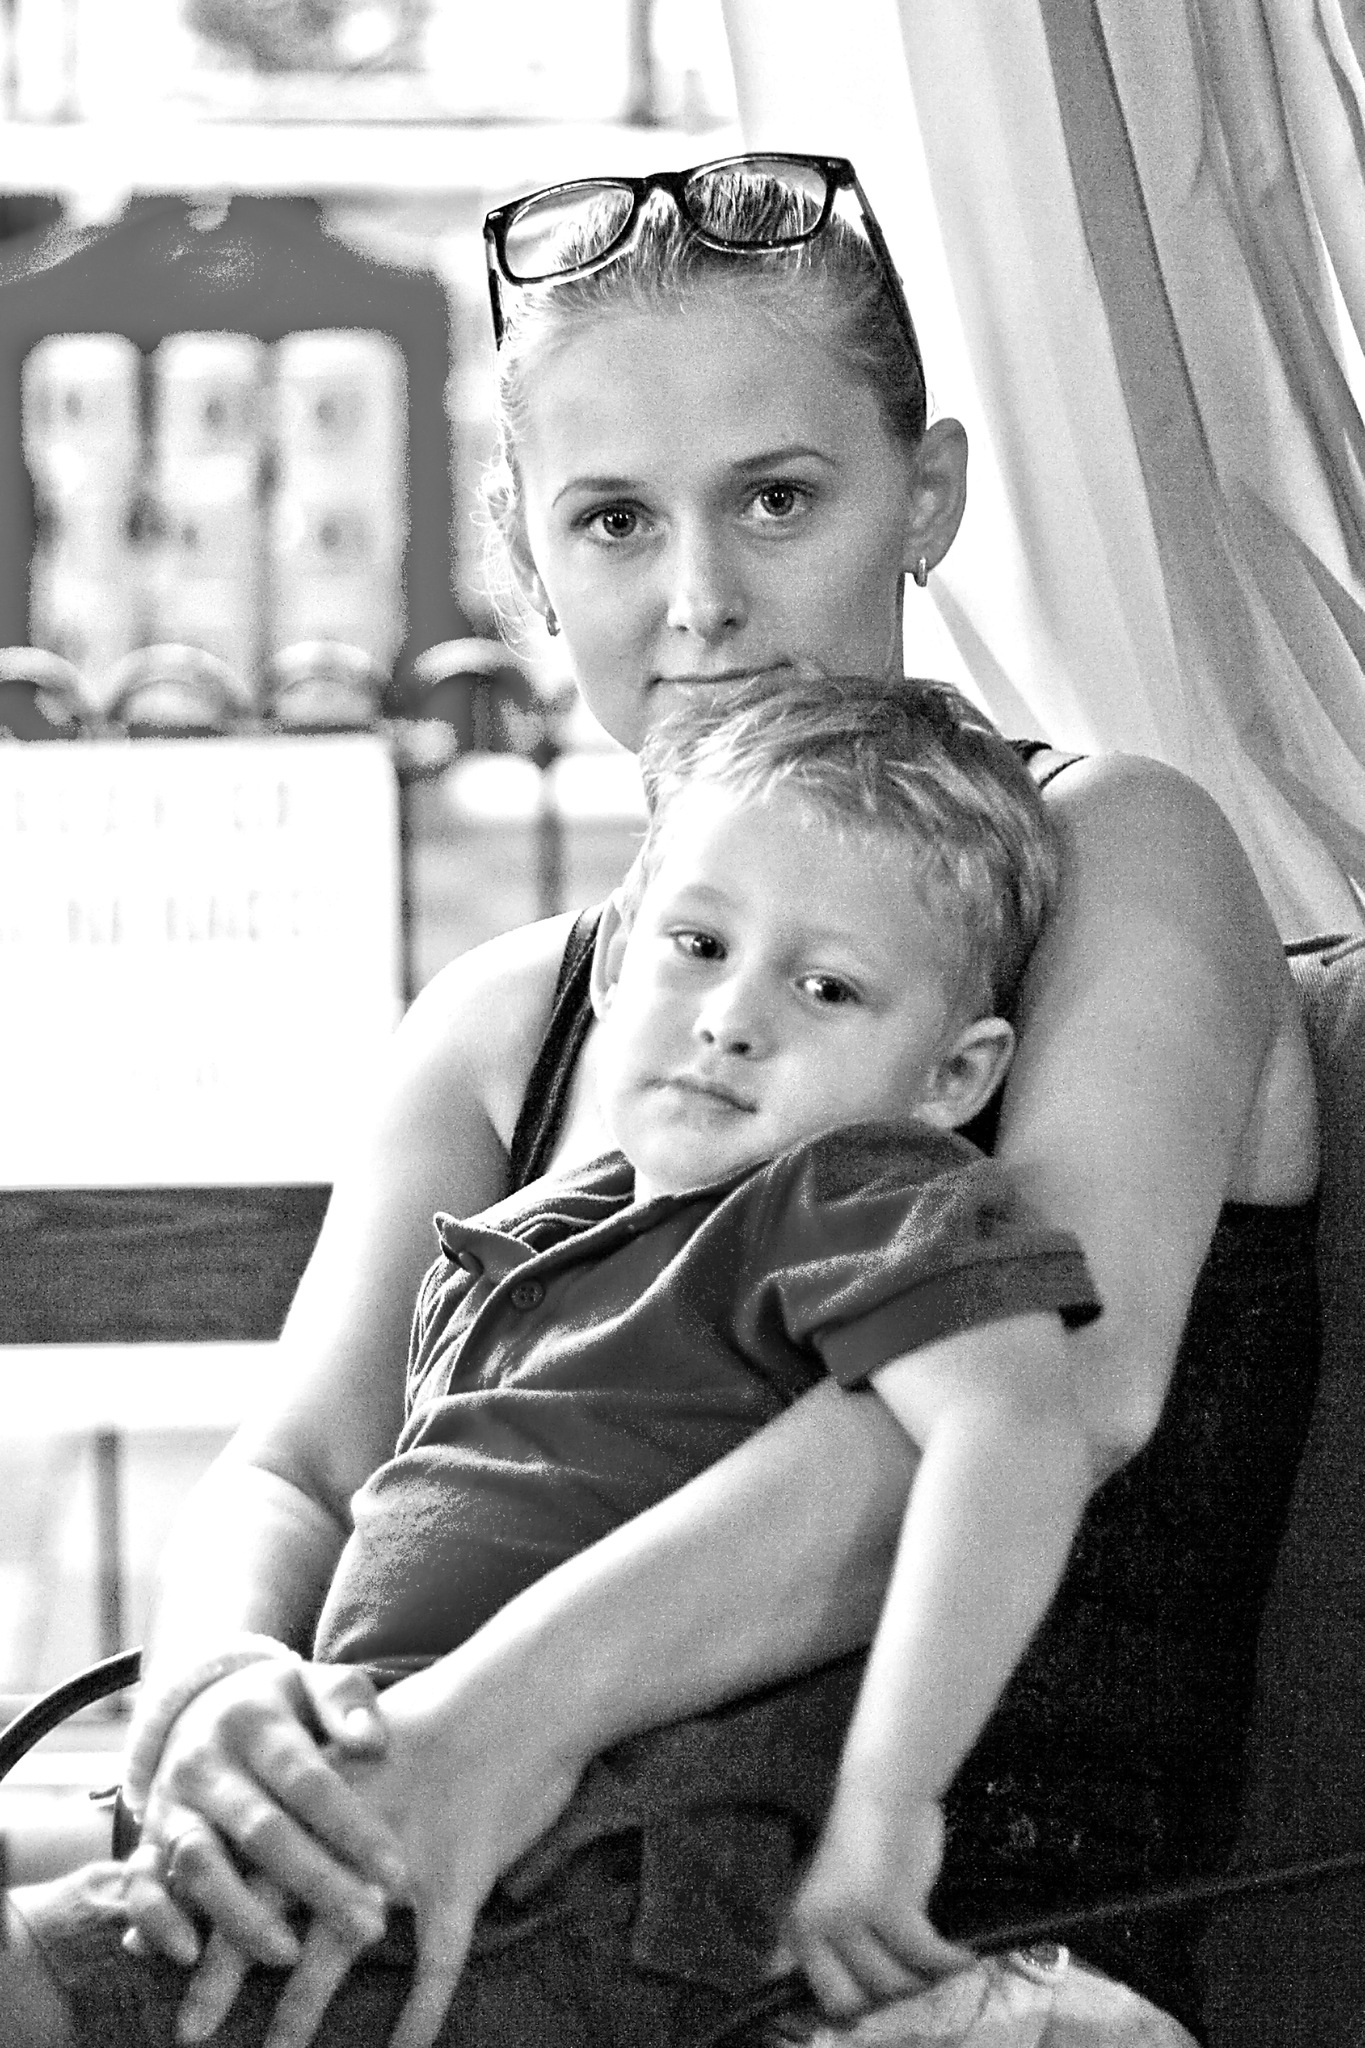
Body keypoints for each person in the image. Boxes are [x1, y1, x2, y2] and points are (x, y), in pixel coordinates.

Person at [1, 155, 1320, 2047]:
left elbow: (1065, 1385)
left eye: (776, 499)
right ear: (524, 561)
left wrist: (484, 1731)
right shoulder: (499, 1017)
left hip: (934, 1930)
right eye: (614, 521)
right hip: (437, 1857)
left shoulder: (1110, 854)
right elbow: (293, 1470)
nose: (700, 602)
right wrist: (220, 1698)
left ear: (923, 499)